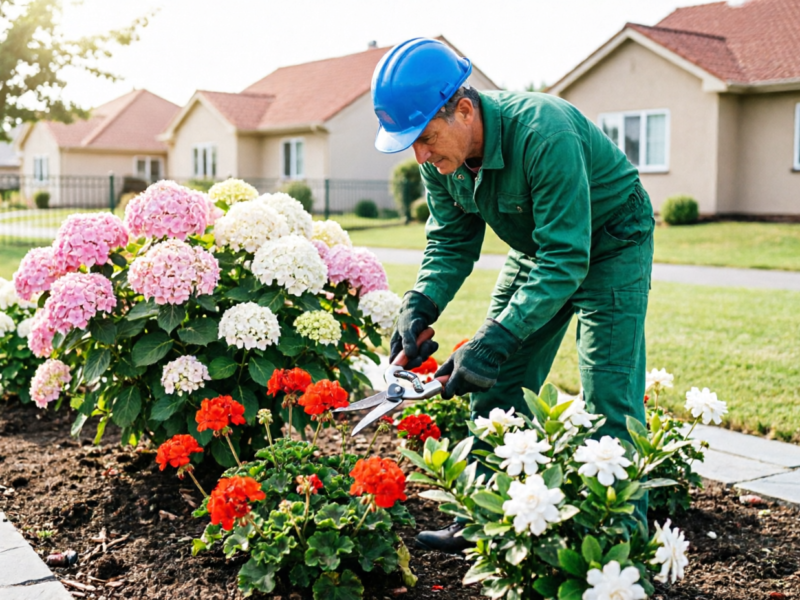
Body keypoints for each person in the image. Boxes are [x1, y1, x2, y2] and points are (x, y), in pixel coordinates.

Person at [372, 38, 654, 552]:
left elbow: (568, 258)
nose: (421, 154)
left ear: (463, 110)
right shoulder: (441, 159)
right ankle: (486, 522)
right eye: (411, 142)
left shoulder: (544, 133)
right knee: (494, 386)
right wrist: (421, 304)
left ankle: (624, 547)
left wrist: (498, 336)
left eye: (426, 137)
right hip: (540, 245)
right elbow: (451, 239)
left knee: (609, 395)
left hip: (613, 242)